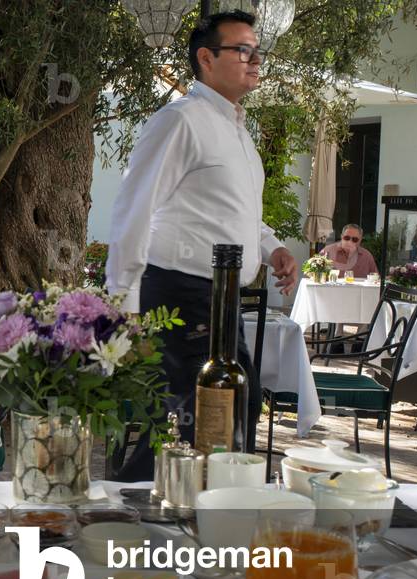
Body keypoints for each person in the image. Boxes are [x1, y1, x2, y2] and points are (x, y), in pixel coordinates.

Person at [106, 10, 298, 481]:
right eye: (243, 51)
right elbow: (134, 207)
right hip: (179, 292)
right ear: (206, 58)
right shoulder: (180, 121)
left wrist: (271, 246)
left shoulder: (238, 132)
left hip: (219, 295)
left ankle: (206, 509)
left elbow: (233, 212)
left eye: (258, 52)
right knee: (198, 417)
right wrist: (123, 301)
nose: (255, 61)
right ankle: (138, 516)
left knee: (235, 405)